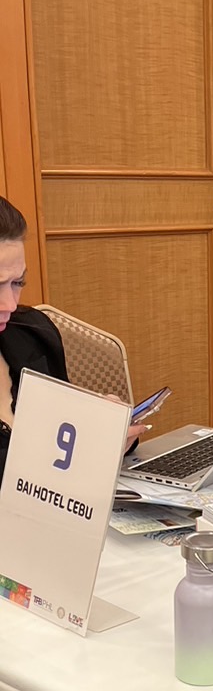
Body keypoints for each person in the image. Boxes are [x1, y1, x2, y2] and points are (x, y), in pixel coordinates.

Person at [0, 195, 67, 487]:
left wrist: (107, 435)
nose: (10, 304)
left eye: (18, 283)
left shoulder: (34, 332)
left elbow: (65, 430)